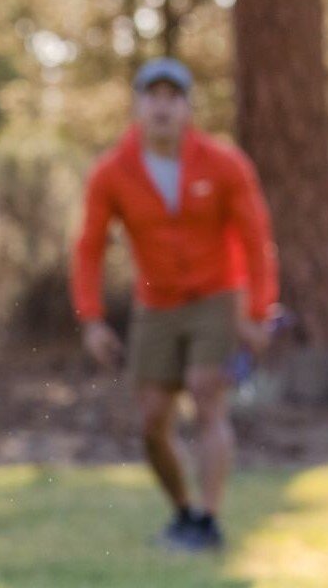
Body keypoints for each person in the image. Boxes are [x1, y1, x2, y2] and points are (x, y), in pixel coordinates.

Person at [71, 57, 279, 551]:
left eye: (173, 97)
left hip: (216, 294)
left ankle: (209, 520)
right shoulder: (112, 173)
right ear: (137, 105)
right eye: (153, 96)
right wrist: (91, 318)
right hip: (155, 302)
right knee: (151, 420)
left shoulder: (224, 164)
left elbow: (256, 239)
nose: (163, 106)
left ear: (188, 107)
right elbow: (88, 248)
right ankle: (184, 512)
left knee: (207, 392)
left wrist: (259, 310)